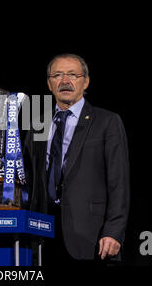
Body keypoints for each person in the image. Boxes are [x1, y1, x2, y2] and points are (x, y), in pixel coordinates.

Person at [23, 54, 130, 266]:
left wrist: (114, 231)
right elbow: (27, 178)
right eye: (58, 75)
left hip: (91, 237)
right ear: (49, 83)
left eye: (73, 75)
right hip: (42, 235)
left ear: (86, 81)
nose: (65, 81)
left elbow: (119, 182)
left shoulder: (107, 122)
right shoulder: (37, 124)